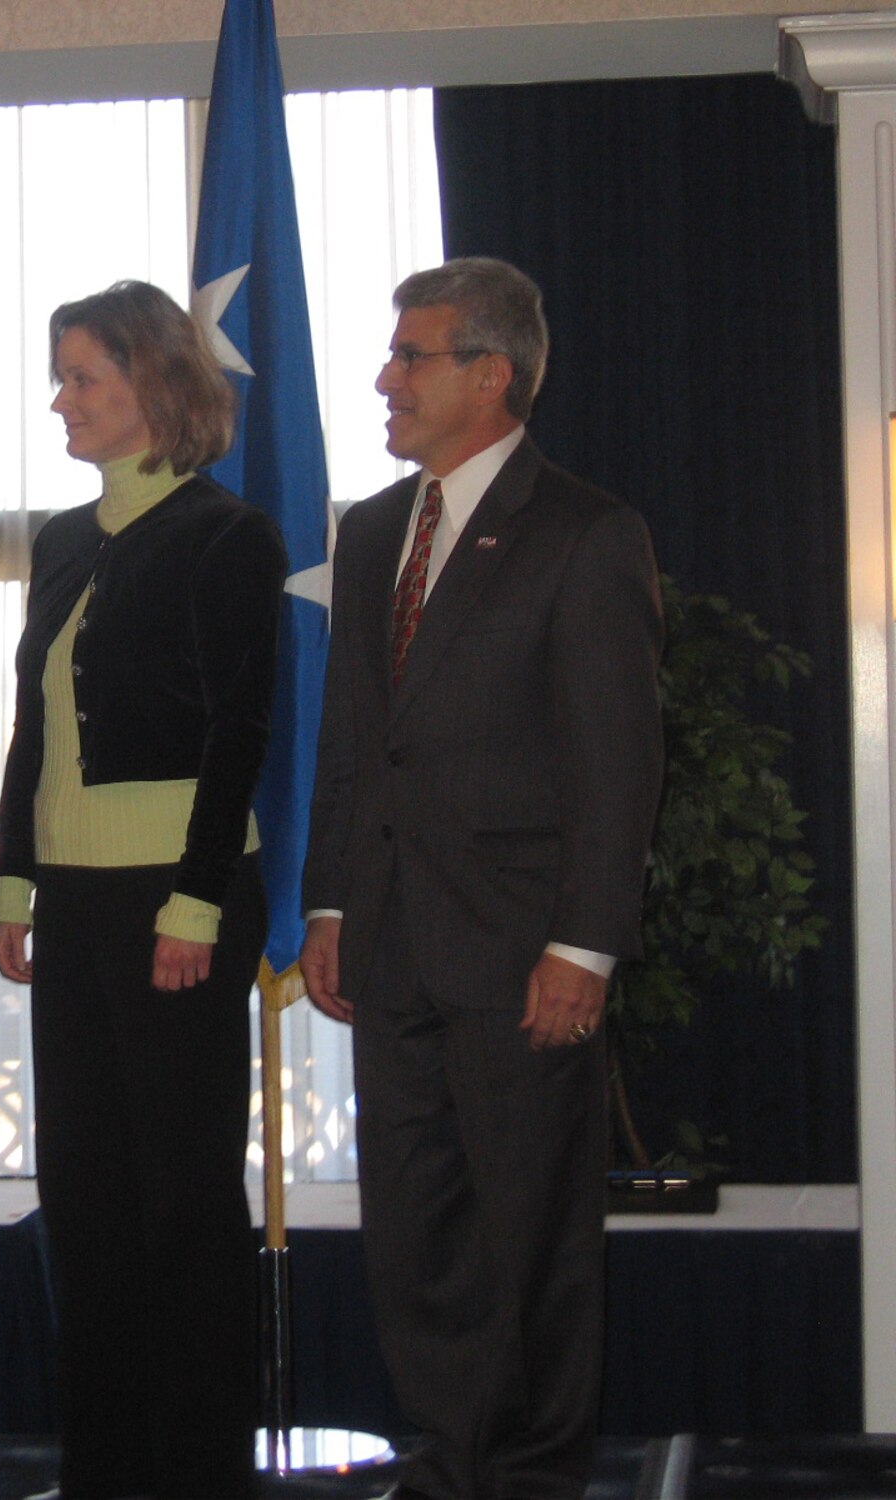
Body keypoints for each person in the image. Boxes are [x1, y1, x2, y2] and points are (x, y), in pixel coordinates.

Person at [299, 257, 663, 1500]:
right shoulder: (366, 533)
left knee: (531, 1241)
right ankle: (446, 1463)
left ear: (490, 374)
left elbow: (616, 764)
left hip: (521, 956)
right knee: (415, 1241)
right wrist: (330, 904)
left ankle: (537, 1475)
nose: (383, 379)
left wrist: (585, 946)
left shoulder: (584, 532)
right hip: (390, 945)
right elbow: (352, 741)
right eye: (392, 354)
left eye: (411, 357)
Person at [0, 281, 286, 1500]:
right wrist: (12, 879)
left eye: (81, 377)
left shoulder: (228, 535)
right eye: (59, 376)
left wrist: (195, 903)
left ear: (152, 387)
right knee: (87, 1198)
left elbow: (239, 732)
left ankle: (199, 1469)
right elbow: (32, 726)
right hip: (75, 897)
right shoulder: (63, 540)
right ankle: (106, 1467)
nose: (58, 398)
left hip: (179, 898)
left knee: (181, 1202)